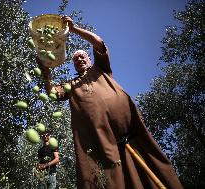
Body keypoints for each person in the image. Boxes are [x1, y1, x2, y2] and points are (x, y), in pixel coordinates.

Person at [37, 16, 183, 189]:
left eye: (82, 56)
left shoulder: (100, 69)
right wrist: (46, 73)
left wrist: (74, 29)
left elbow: (99, 43)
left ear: (89, 59)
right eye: (75, 60)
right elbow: (52, 92)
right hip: (100, 142)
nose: (79, 60)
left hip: (131, 132)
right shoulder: (71, 85)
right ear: (74, 66)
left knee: (149, 168)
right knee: (110, 178)